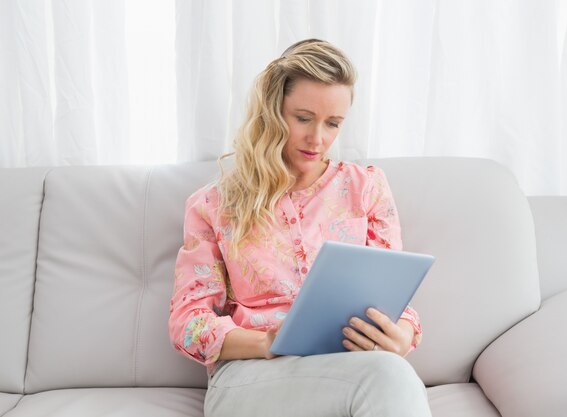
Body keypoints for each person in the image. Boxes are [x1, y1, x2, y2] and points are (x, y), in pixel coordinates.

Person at [169, 39, 432, 417]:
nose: (318, 139)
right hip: (250, 375)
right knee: (388, 378)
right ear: (273, 111)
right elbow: (187, 324)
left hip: (351, 367)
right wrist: (266, 342)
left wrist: (401, 336)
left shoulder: (365, 188)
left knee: (390, 371)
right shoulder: (214, 205)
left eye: (333, 123)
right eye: (303, 118)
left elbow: (395, 295)